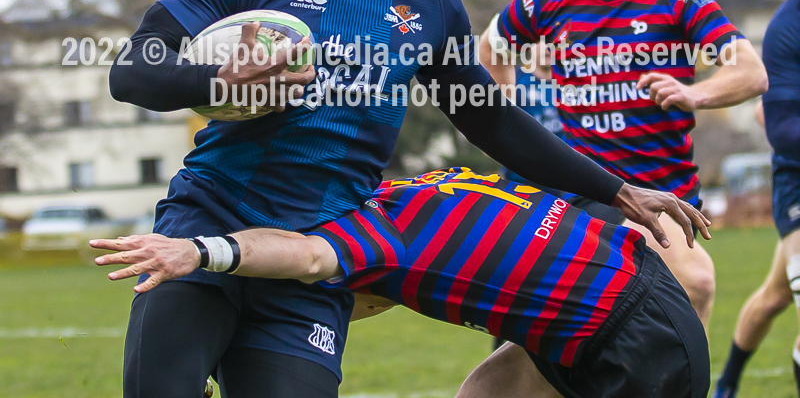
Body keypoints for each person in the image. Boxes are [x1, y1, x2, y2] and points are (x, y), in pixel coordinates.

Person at [107, 0, 701, 398]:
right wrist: (218, 81)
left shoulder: (429, 1)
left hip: (319, 250)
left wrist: (616, 189)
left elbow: (491, 121)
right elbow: (132, 70)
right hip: (210, 212)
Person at [470, 0, 767, 398]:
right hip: (582, 197)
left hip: (664, 201)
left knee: (694, 282)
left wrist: (692, 93)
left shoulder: (676, 1)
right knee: (557, 324)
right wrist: (505, 127)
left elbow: (751, 71)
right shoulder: (546, 3)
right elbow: (489, 48)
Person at [92, 167, 711, 398]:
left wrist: (199, 252)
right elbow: (368, 295)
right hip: (615, 285)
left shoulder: (374, 232)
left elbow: (309, 262)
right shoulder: (417, 187)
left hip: (637, 340)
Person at [714, 0, 800, 398]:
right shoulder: (787, 27)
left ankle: (726, 382)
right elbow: (780, 126)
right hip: (799, 182)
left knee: (773, 297)